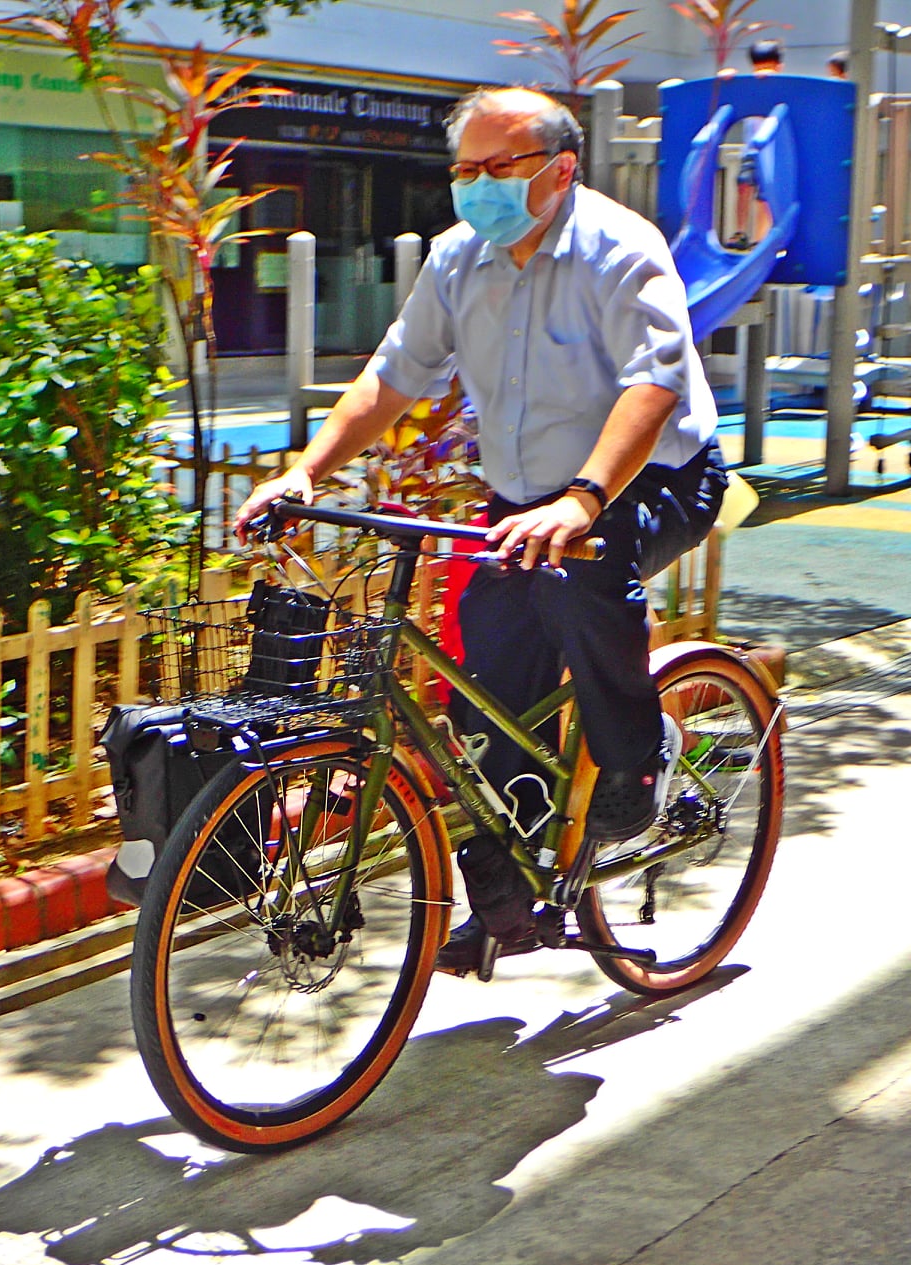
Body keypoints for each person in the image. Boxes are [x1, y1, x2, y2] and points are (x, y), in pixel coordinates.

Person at [233, 87, 725, 969]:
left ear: (561, 170)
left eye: (499, 167)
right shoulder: (459, 258)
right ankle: (509, 904)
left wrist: (584, 498)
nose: (477, 185)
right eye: (465, 170)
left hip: (652, 479)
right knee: (486, 696)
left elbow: (653, 385)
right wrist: (306, 470)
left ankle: (636, 758)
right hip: (521, 500)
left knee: (580, 578)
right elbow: (392, 377)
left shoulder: (621, 248)